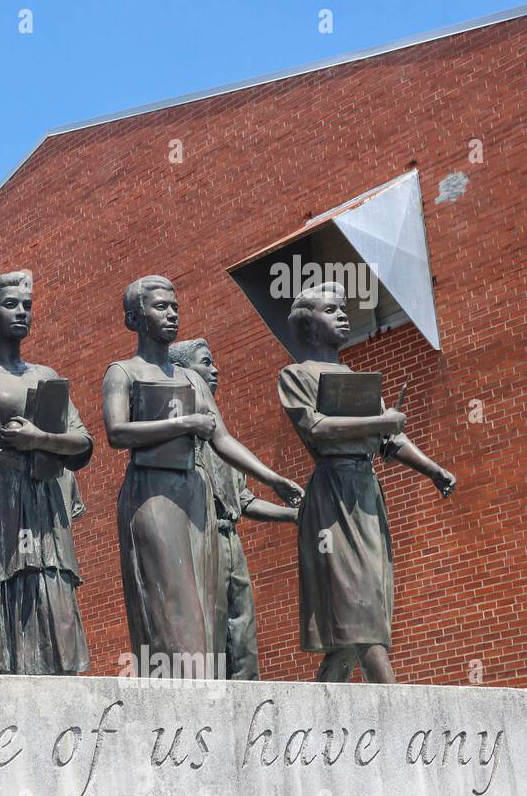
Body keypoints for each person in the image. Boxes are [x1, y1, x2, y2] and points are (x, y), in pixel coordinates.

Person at [103, 275, 303, 679]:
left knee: (207, 616)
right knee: (172, 614)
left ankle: (203, 704)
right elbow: (116, 432)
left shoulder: (191, 380)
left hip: (195, 496)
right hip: (152, 494)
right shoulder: (122, 372)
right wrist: (184, 424)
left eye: (174, 305)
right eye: (160, 306)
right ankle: (172, 707)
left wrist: (272, 478)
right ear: (134, 318)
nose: (172, 313)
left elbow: (222, 439)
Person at [279, 282, 456, 684]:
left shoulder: (353, 377)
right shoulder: (295, 375)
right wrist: (380, 421)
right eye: (331, 310)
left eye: (343, 309)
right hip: (332, 496)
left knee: (356, 622)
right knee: (359, 612)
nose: (343, 315)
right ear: (308, 326)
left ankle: (315, 726)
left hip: (366, 494)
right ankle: (394, 712)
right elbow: (316, 427)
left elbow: (390, 441)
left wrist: (433, 469)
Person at [0, 270, 93, 675]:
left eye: (27, 305)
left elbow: (82, 443)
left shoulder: (46, 376)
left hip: (42, 497)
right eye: (11, 305)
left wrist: (39, 438)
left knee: (48, 582)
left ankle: (53, 675)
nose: (22, 311)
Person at [169, 337, 297, 680]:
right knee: (207, 628)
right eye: (205, 363)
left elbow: (244, 501)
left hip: (230, 540)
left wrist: (294, 515)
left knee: (242, 629)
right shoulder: (176, 441)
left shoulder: (226, 446)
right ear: (183, 373)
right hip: (198, 537)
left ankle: (247, 701)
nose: (215, 369)